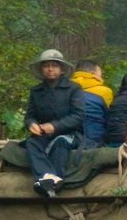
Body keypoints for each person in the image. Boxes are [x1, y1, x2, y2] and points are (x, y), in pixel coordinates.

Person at [23, 48, 85, 198]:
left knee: (60, 142)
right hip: (43, 136)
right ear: (41, 69)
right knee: (31, 143)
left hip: (70, 134)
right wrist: (32, 124)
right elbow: (30, 116)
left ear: (62, 69)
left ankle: (53, 183)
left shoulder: (73, 89)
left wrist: (55, 126)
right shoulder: (36, 91)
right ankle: (49, 179)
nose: (50, 69)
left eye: (54, 65)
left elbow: (79, 115)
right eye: (46, 66)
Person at [70, 60, 113, 148]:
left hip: (72, 137)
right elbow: (110, 117)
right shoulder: (104, 91)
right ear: (93, 73)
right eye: (100, 74)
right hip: (96, 139)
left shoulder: (66, 89)